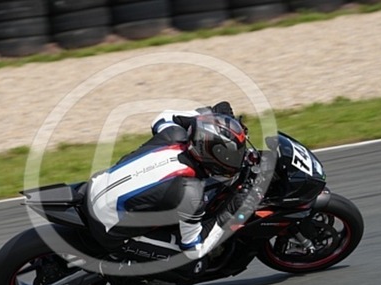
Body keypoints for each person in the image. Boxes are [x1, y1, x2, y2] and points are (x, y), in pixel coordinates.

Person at [83, 101, 255, 271]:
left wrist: (209, 115)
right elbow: (194, 249)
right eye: (231, 155)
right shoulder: (190, 192)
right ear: (214, 156)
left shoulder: (173, 134)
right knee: (194, 264)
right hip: (108, 227)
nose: (236, 159)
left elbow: (163, 117)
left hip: (96, 186)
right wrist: (231, 212)